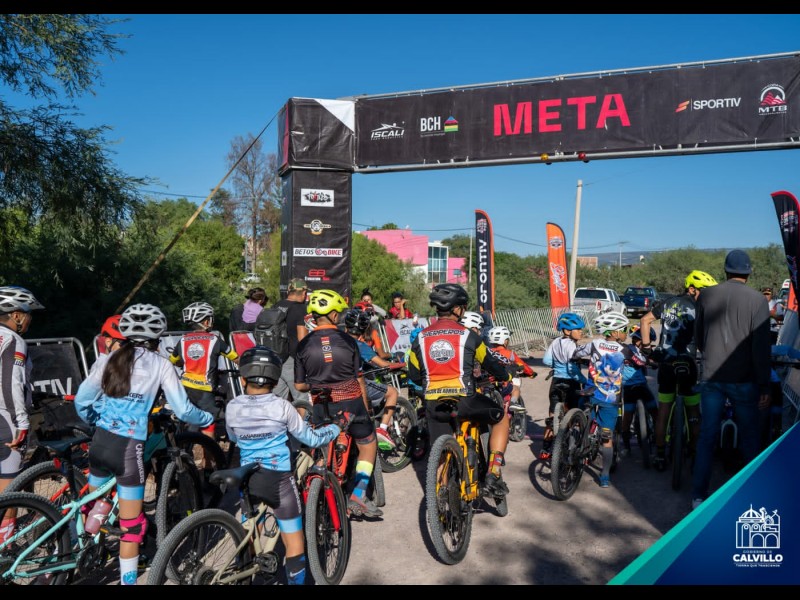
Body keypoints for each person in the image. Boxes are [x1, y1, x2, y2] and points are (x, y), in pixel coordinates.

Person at [73, 303, 214, 586]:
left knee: (94, 504)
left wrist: (97, 421)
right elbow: (183, 410)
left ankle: (81, 556)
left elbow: (82, 401)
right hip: (128, 449)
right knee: (132, 528)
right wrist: (208, 417)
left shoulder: (109, 358)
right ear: (157, 336)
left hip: (100, 441)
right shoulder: (161, 364)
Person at [225, 345, 346, 585]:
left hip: (247, 477)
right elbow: (311, 439)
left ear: (243, 379)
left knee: (250, 530)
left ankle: (246, 572)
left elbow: (233, 437)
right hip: (278, 479)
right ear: (275, 380)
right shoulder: (283, 406)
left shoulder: (232, 406)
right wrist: (336, 428)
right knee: (294, 541)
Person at [407, 283, 513, 496]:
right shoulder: (469, 336)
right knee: (501, 419)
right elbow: (490, 363)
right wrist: (506, 376)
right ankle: (493, 472)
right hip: (466, 400)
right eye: (463, 307)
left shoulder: (420, 338)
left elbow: (415, 375)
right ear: (457, 309)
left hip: (434, 404)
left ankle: (441, 496)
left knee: (440, 454)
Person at [691, 250, 771, 510]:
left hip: (712, 377)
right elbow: (760, 347)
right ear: (748, 272)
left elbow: (699, 336)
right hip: (744, 379)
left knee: (707, 436)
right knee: (749, 437)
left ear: (725, 270)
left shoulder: (706, 295)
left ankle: (698, 496)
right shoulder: (758, 300)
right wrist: (764, 384)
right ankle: (750, 494)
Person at [294, 289, 383, 518]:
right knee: (368, 444)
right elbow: (358, 378)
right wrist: (366, 407)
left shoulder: (303, 345)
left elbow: (299, 385)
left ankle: (316, 484)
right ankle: (358, 495)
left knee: (321, 448)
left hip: (322, 406)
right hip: (351, 404)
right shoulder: (349, 341)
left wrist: (317, 384)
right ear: (334, 315)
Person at [639, 270, 717, 472]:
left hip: (666, 363)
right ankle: (694, 453)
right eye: (704, 290)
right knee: (693, 411)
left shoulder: (667, 303)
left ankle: (660, 454)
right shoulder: (701, 308)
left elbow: (645, 320)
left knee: (664, 409)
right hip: (688, 364)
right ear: (691, 289)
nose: (707, 295)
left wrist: (647, 348)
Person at [573, 311, 629, 488]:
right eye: (624, 330)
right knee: (607, 438)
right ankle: (604, 476)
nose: (626, 333)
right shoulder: (625, 350)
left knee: (580, 423)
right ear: (615, 332)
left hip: (590, 392)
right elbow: (641, 361)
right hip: (609, 398)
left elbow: (576, 352)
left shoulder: (595, 343)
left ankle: (574, 442)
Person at [169, 302, 238, 441]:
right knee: (209, 420)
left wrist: (186, 362)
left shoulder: (183, 340)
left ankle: (184, 445)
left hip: (185, 386)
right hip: (205, 388)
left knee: (190, 417)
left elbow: (173, 360)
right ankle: (209, 452)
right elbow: (235, 358)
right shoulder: (214, 340)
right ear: (206, 322)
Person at [0, 286, 44, 499]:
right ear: (16, 315)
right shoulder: (12, 339)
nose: (30, 320)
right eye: (28, 314)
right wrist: (21, 423)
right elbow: (12, 382)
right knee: (9, 493)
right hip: (5, 418)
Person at [342, 308, 400, 451]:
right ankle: (382, 430)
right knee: (392, 392)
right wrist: (400, 365)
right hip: (356, 384)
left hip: (336, 384)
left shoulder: (337, 341)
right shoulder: (360, 346)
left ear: (346, 327)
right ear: (362, 331)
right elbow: (382, 364)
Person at [540, 312, 588, 460]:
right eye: (578, 329)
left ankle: (545, 449)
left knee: (552, 416)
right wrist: (585, 381)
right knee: (574, 415)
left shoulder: (556, 342)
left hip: (556, 381)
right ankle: (572, 447)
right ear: (567, 331)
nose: (581, 331)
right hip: (571, 382)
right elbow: (572, 369)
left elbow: (546, 361)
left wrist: (557, 366)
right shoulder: (571, 346)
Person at [619, 325, 658, 456]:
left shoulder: (644, 350)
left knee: (630, 415)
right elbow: (644, 361)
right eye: (648, 340)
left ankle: (626, 446)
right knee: (653, 412)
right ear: (639, 340)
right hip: (634, 386)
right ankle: (658, 437)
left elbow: (654, 360)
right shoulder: (628, 350)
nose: (649, 344)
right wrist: (651, 362)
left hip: (633, 386)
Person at [271, 278, 312, 404]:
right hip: (292, 360)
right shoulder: (300, 308)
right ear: (304, 293)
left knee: (278, 401)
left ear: (289, 291)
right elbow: (302, 338)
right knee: (302, 400)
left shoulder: (276, 305)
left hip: (276, 357)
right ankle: (304, 418)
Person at [486, 325, 536, 405]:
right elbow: (522, 365)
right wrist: (531, 373)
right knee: (516, 389)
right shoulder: (509, 354)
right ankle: (513, 403)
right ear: (505, 341)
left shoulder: (487, 352)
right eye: (508, 339)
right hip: (503, 383)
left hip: (489, 383)